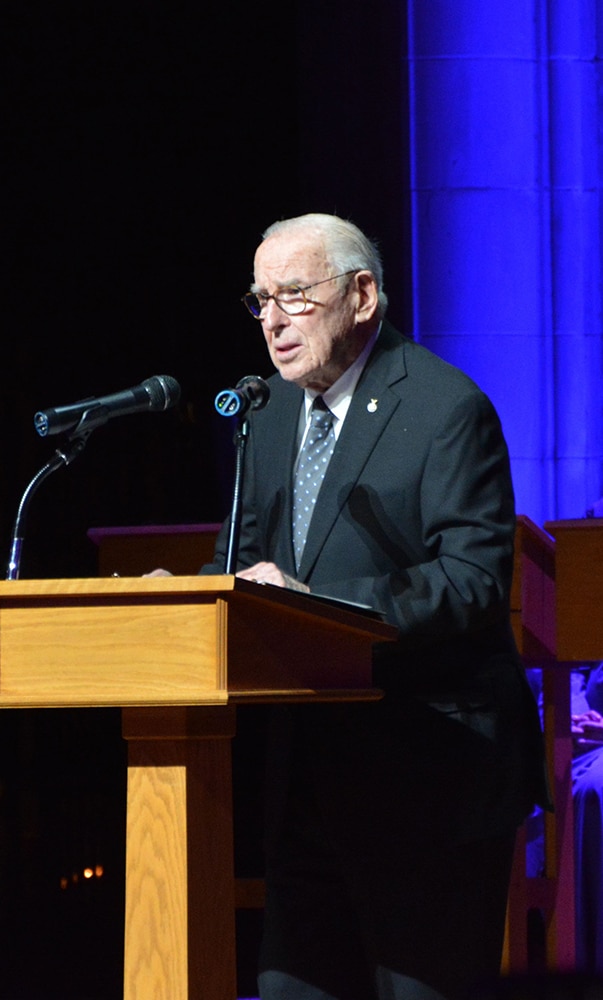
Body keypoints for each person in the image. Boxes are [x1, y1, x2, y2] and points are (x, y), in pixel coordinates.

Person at [156, 213, 548, 1000]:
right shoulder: (264, 415)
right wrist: (189, 596)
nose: (271, 320)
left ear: (361, 295)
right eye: (260, 299)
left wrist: (322, 605)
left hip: (431, 781)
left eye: (294, 295)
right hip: (307, 783)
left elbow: (471, 582)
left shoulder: (444, 407)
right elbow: (246, 564)